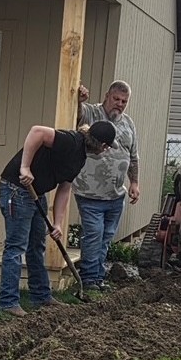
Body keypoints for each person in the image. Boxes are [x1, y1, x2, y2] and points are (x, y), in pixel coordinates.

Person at [0, 120, 117, 316]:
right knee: (16, 247)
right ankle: (8, 301)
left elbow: (64, 189)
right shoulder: (71, 141)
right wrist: (25, 168)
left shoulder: (80, 157)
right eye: (107, 147)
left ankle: (41, 297)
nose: (106, 150)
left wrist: (58, 223)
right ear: (103, 145)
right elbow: (37, 131)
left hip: (36, 193)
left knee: (36, 246)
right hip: (16, 190)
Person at [73, 80, 140, 291]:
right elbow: (76, 115)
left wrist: (134, 182)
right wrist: (79, 101)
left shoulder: (128, 123)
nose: (119, 104)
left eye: (124, 101)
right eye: (116, 99)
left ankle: (98, 278)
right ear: (107, 96)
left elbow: (133, 156)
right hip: (89, 192)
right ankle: (88, 279)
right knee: (94, 234)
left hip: (116, 195)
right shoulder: (92, 113)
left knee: (105, 238)